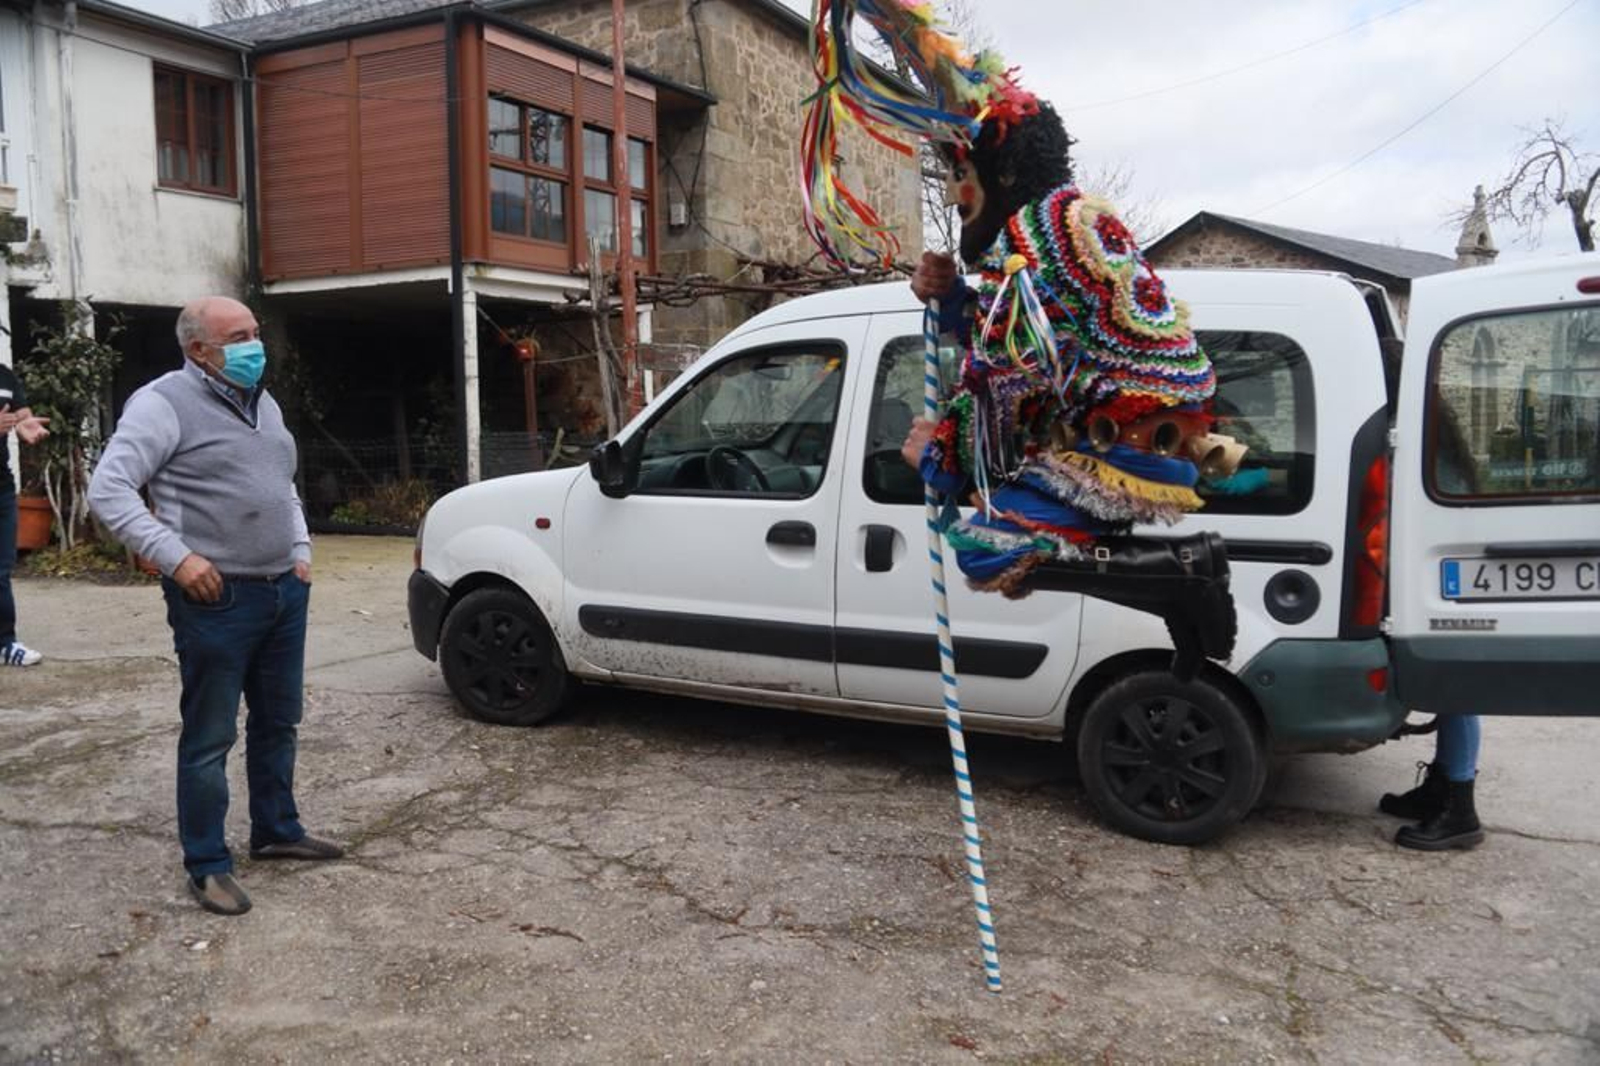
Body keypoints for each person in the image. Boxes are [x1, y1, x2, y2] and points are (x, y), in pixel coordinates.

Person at [88, 296, 344, 916]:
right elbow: (109, 489)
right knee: (210, 736)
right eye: (239, 336)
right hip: (216, 596)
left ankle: (276, 830)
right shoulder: (162, 404)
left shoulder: (264, 402)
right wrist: (177, 557)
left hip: (283, 589)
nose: (255, 346)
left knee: (279, 720)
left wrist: (301, 549)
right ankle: (206, 864)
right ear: (198, 349)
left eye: (255, 332)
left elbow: (280, 483)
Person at [1378, 404, 1483, 851]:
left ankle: (1459, 810)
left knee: (1457, 689)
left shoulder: (1428, 450)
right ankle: (1443, 786)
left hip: (1444, 577)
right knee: (1452, 690)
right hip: (1440, 574)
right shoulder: (1436, 441)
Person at [1, 362, 52, 666]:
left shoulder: (5, 376)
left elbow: (21, 413)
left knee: (2, 569)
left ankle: (5, 642)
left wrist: (26, 423)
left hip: (1, 488)